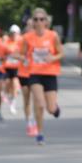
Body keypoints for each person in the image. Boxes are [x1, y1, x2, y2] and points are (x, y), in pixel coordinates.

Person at [21, 8, 64, 145]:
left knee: (50, 109)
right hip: (35, 74)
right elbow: (22, 53)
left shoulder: (53, 36)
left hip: (50, 73)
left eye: (41, 19)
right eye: (36, 19)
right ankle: (40, 133)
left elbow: (61, 53)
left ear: (46, 21)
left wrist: (52, 57)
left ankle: (55, 108)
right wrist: (23, 59)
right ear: (32, 22)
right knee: (39, 104)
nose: (39, 22)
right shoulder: (27, 37)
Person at [17, 18, 37, 137]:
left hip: (36, 72)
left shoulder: (39, 39)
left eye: (32, 25)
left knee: (36, 98)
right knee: (27, 99)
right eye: (29, 25)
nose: (30, 27)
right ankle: (29, 122)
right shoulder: (22, 40)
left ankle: (34, 120)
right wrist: (22, 57)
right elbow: (14, 53)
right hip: (23, 73)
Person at [3, 24, 23, 114]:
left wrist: (18, 57)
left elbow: (24, 54)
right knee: (7, 84)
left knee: (15, 84)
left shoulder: (21, 42)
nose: (14, 35)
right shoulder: (6, 42)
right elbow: (2, 53)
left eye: (16, 33)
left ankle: (13, 103)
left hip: (16, 67)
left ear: (18, 34)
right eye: (12, 33)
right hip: (7, 67)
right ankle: (8, 95)